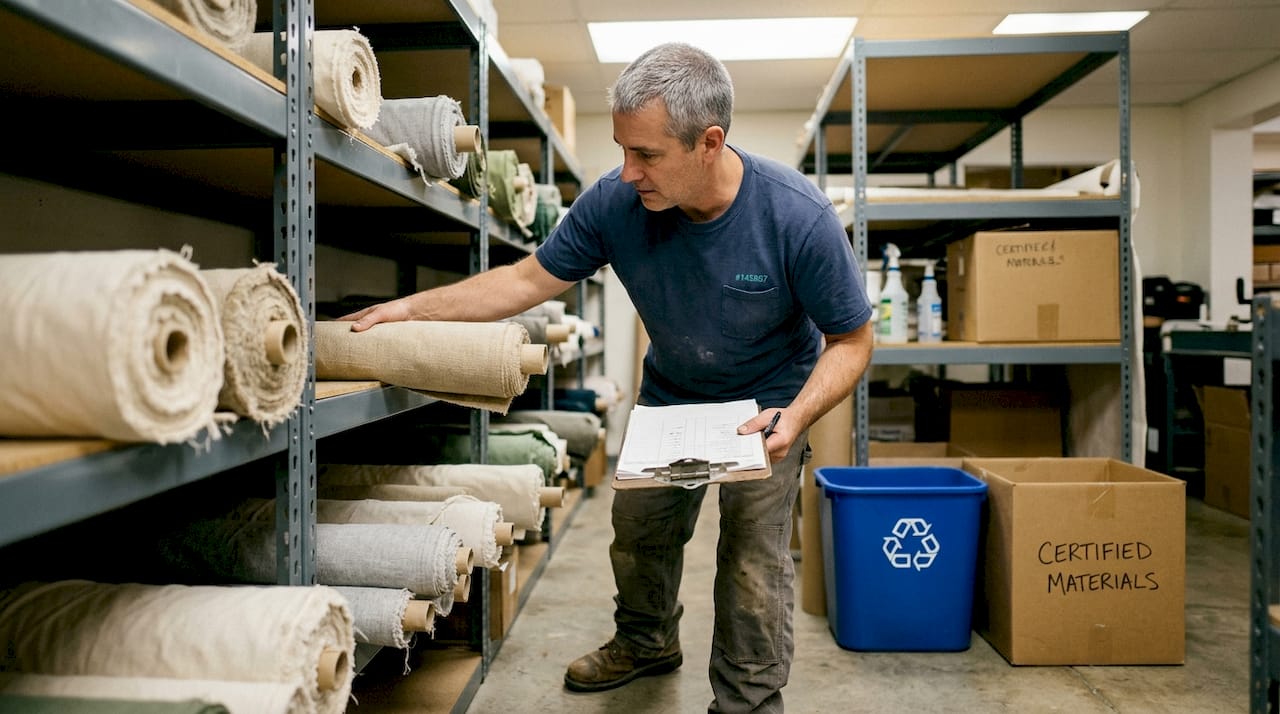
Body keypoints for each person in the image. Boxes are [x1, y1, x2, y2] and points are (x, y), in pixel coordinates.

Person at [344, 42, 873, 713]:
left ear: (708, 143)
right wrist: (410, 309)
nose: (627, 172)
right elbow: (525, 280)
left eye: (646, 155)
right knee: (640, 530)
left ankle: (748, 699)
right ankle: (647, 640)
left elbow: (853, 341)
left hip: (770, 403)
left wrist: (796, 417)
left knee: (751, 558)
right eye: (623, 150)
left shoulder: (797, 217)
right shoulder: (615, 204)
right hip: (673, 392)